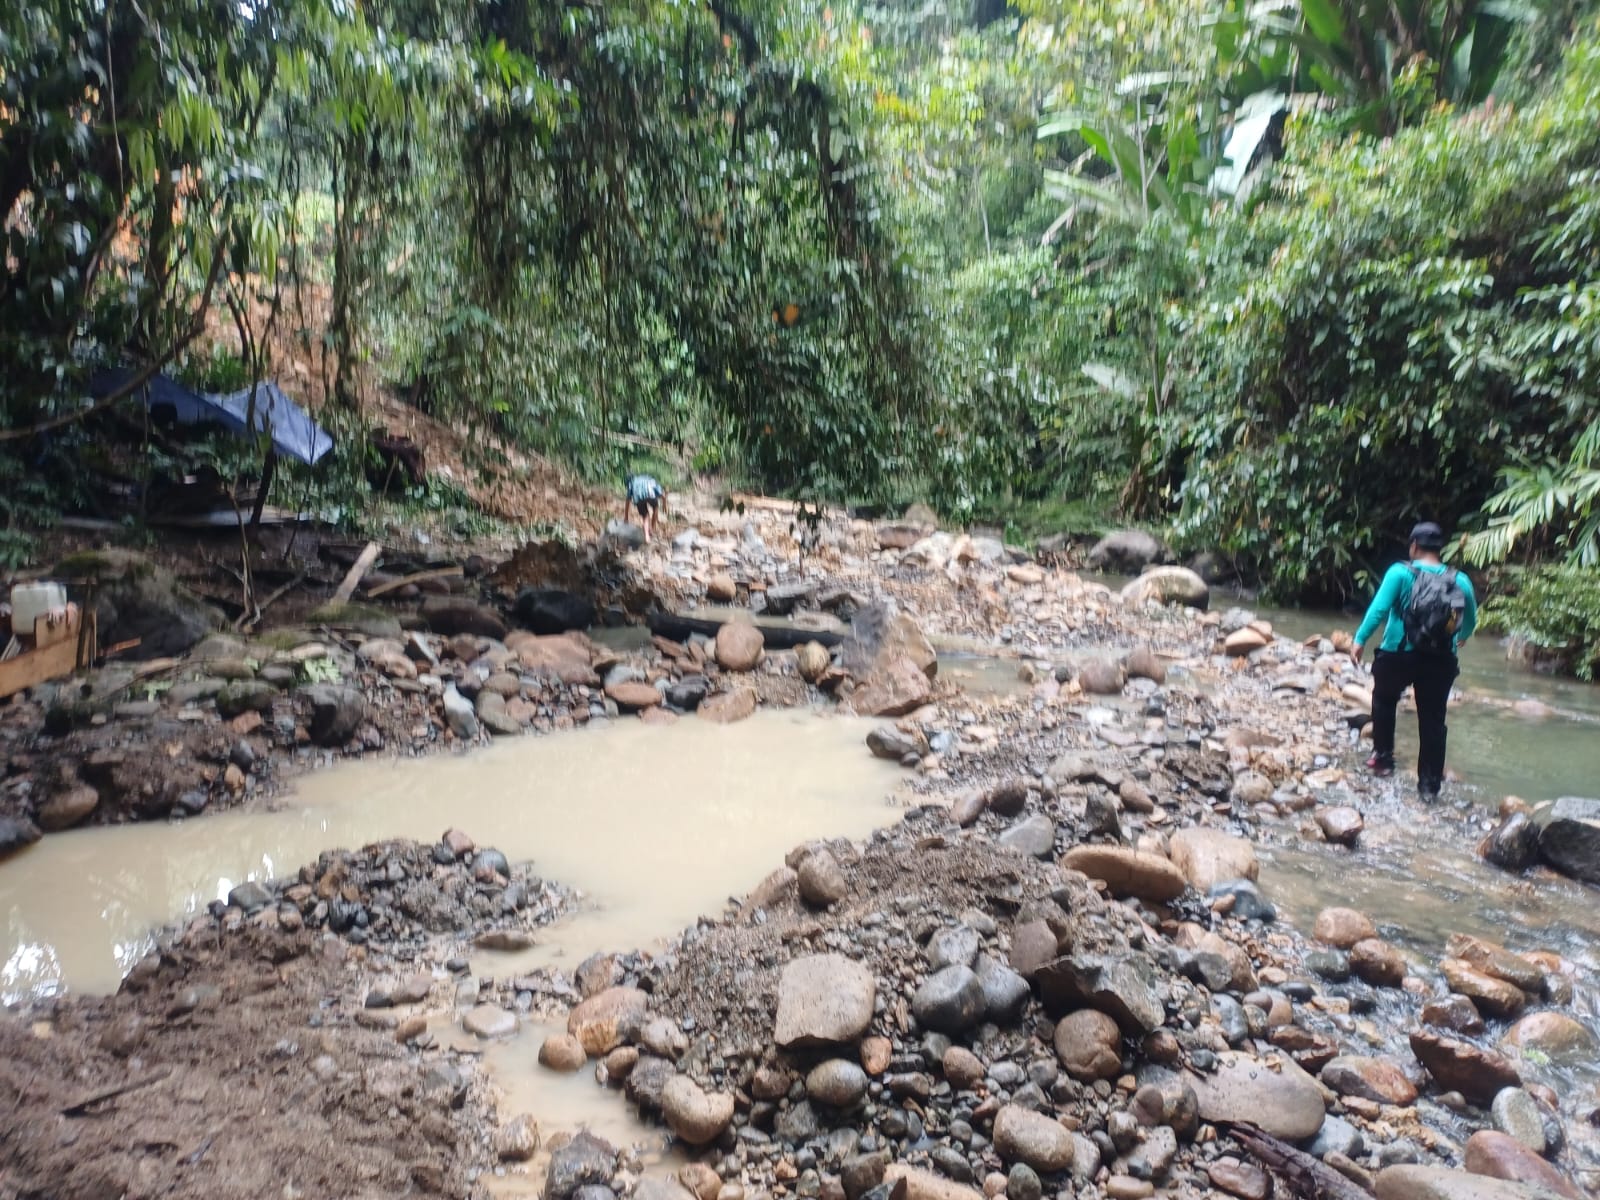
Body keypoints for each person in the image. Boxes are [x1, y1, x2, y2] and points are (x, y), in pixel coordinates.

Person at [1350, 521, 1478, 797]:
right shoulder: (1460, 580)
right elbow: (1470, 621)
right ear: (1439, 549)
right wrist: (1460, 638)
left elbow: (1378, 609)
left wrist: (1360, 640)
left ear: (1414, 546)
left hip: (1398, 653)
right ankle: (1429, 787)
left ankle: (1383, 760)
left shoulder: (1400, 573)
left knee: (1384, 699)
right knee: (1433, 721)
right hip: (1441, 659)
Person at [623, 473, 668, 542]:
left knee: (645, 516)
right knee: (655, 508)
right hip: (650, 495)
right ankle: (651, 530)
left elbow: (627, 501)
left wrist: (626, 517)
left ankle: (647, 535)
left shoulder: (631, 483)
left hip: (638, 498)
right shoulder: (649, 479)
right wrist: (664, 505)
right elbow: (662, 494)